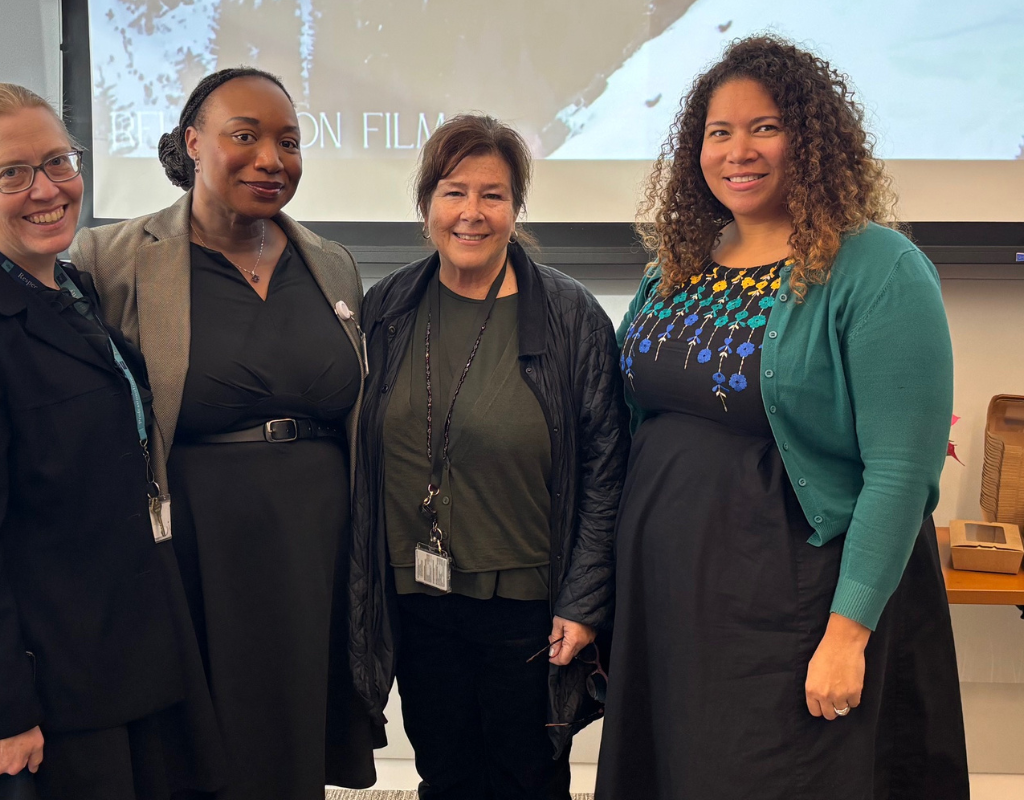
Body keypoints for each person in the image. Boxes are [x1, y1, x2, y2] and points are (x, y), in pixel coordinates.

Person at [594, 36, 969, 799]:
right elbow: (635, 422)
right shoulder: (677, 265)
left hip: (792, 607)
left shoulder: (879, 268)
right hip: (671, 596)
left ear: (812, 137)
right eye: (718, 132)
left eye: (764, 127)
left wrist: (848, 631)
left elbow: (901, 473)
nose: (739, 150)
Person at [0, 83, 225, 800]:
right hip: (46, 689)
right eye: (12, 172)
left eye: (58, 163)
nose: (46, 189)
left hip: (119, 651)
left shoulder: (66, 287)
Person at [70, 67, 377, 800]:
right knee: (202, 749)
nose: (272, 158)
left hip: (317, 543)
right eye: (246, 136)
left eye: (290, 142)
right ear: (193, 144)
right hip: (199, 544)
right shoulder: (110, 260)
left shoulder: (330, 262)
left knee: (296, 728)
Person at [349, 114, 627, 799]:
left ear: (516, 208)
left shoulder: (571, 316)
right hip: (417, 598)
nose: (471, 213)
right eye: (452, 191)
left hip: (529, 607)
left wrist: (585, 598)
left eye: (493, 194)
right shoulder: (387, 308)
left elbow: (604, 468)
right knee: (444, 774)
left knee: (526, 777)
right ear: (425, 205)